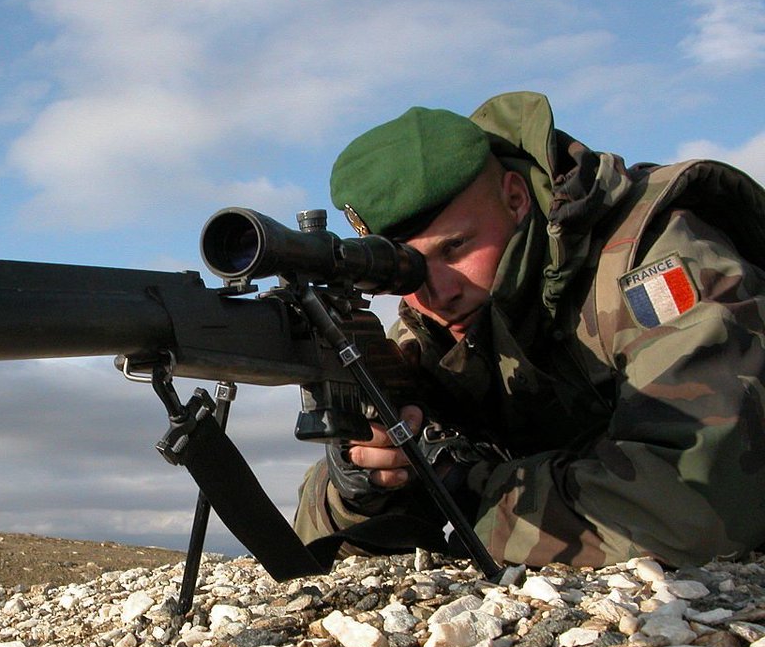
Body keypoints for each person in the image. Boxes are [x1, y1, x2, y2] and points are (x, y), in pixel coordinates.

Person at [293, 91, 765, 570]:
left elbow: (701, 503)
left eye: (455, 248)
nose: (436, 292)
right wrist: (360, 487)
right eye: (407, 271)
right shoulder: (431, 329)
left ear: (515, 199)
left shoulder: (647, 258)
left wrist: (466, 486)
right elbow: (320, 548)